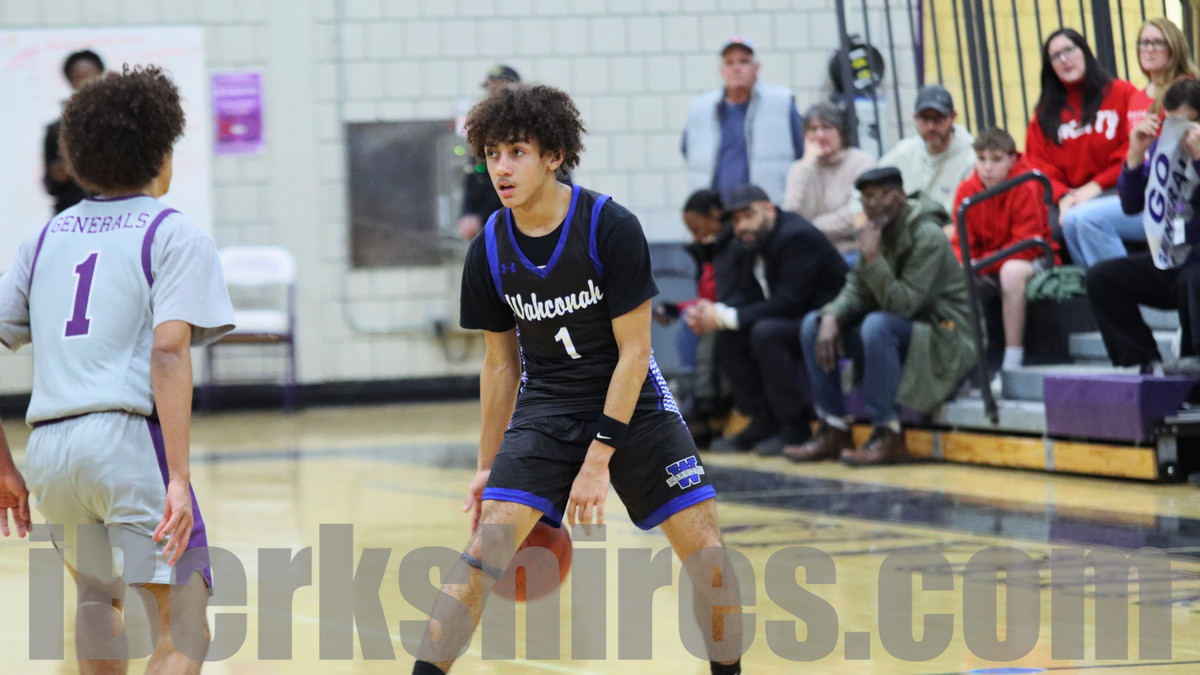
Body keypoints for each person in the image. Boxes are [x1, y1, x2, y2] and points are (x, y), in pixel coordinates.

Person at [413, 83, 743, 675]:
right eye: (492, 154)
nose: (501, 168)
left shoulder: (609, 226)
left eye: (517, 152)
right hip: (547, 404)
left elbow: (635, 353)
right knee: (481, 554)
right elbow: (501, 365)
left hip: (634, 402)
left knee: (710, 560)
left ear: (554, 156)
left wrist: (598, 460)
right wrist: (488, 466)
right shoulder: (488, 248)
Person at [0, 66, 235, 673]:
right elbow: (168, 350)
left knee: (96, 599)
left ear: (77, 159)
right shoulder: (171, 233)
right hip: (127, 442)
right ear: (163, 153)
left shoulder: (41, 241)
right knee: (184, 629)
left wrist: (3, 464)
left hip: (50, 449)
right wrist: (177, 477)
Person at [787, 167, 976, 466]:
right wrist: (832, 316)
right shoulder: (875, 233)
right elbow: (856, 289)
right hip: (906, 326)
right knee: (815, 323)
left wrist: (873, 258)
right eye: (868, 197)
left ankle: (887, 433)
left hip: (945, 330)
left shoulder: (927, 234)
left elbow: (906, 305)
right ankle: (834, 428)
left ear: (902, 195)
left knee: (877, 325)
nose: (875, 204)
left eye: (884, 195)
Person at [686, 184, 848, 456]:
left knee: (766, 333)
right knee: (728, 335)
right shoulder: (750, 241)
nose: (742, 225)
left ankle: (794, 427)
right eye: (736, 220)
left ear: (770, 210)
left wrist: (726, 316)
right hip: (792, 317)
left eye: (749, 215)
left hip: (827, 319)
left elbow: (790, 301)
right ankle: (762, 419)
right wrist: (712, 313)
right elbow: (745, 295)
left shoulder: (796, 236)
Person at [1085, 78, 1200, 374]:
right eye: (1171, 124)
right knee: (1102, 278)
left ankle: (1193, 364)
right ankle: (1144, 363)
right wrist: (1135, 155)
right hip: (1172, 260)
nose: (1179, 133)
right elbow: (1131, 204)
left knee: (1192, 279)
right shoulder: (1166, 152)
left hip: (1196, 265)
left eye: (1186, 124)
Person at [1025, 28, 1139, 268]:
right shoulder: (1044, 112)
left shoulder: (1122, 92)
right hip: (1065, 197)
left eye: (1069, 50)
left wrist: (1095, 186)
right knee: (1048, 228)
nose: (1064, 59)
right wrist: (1063, 196)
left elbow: (1133, 149)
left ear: (1085, 52)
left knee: (1081, 219)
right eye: (1055, 56)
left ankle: (1115, 281)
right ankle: (1085, 282)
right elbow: (1037, 165)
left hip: (1114, 186)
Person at [950, 128, 1056, 376]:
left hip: (1036, 258)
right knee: (952, 275)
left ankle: (1012, 361)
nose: (987, 167)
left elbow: (1027, 245)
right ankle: (964, 363)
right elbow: (960, 241)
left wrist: (981, 264)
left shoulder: (1026, 185)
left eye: (996, 159)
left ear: (1012, 159)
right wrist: (964, 263)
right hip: (989, 262)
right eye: (981, 159)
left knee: (1011, 272)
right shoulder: (966, 191)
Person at [653, 189, 746, 449]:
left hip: (738, 309)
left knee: (699, 324)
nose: (695, 236)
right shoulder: (709, 249)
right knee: (689, 320)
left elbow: (720, 294)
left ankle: (703, 401)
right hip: (720, 308)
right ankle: (692, 398)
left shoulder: (731, 245)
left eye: (697, 228)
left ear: (715, 215)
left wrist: (706, 258)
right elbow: (706, 297)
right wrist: (676, 308)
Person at [682, 36, 804, 204]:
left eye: (743, 62)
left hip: (766, 207)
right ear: (722, 71)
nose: (736, 68)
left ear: (756, 68)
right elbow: (688, 150)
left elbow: (802, 150)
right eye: (729, 63)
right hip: (717, 209)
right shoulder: (701, 108)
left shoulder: (781, 103)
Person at [783, 102, 876, 261]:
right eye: (813, 129)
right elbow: (790, 217)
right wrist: (806, 166)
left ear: (841, 132)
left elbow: (856, 214)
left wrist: (808, 229)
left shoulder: (861, 162)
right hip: (810, 253)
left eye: (826, 128)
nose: (819, 135)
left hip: (851, 251)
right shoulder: (799, 169)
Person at [876, 84, 976, 214]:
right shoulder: (904, 151)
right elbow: (864, 190)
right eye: (924, 118)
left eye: (938, 119)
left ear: (953, 117)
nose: (931, 126)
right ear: (915, 118)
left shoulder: (971, 157)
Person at [457, 65, 521, 240]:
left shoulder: (533, 128)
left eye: (502, 88)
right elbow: (474, 175)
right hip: (490, 218)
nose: (495, 94)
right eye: (491, 89)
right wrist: (468, 212)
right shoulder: (484, 131)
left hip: (524, 214)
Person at [44, 49, 105, 214]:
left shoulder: (119, 124)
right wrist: (57, 174)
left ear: (101, 75)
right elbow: (49, 184)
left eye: (90, 75)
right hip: (71, 211)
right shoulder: (55, 130)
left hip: (112, 210)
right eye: (78, 77)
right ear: (69, 81)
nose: (85, 82)